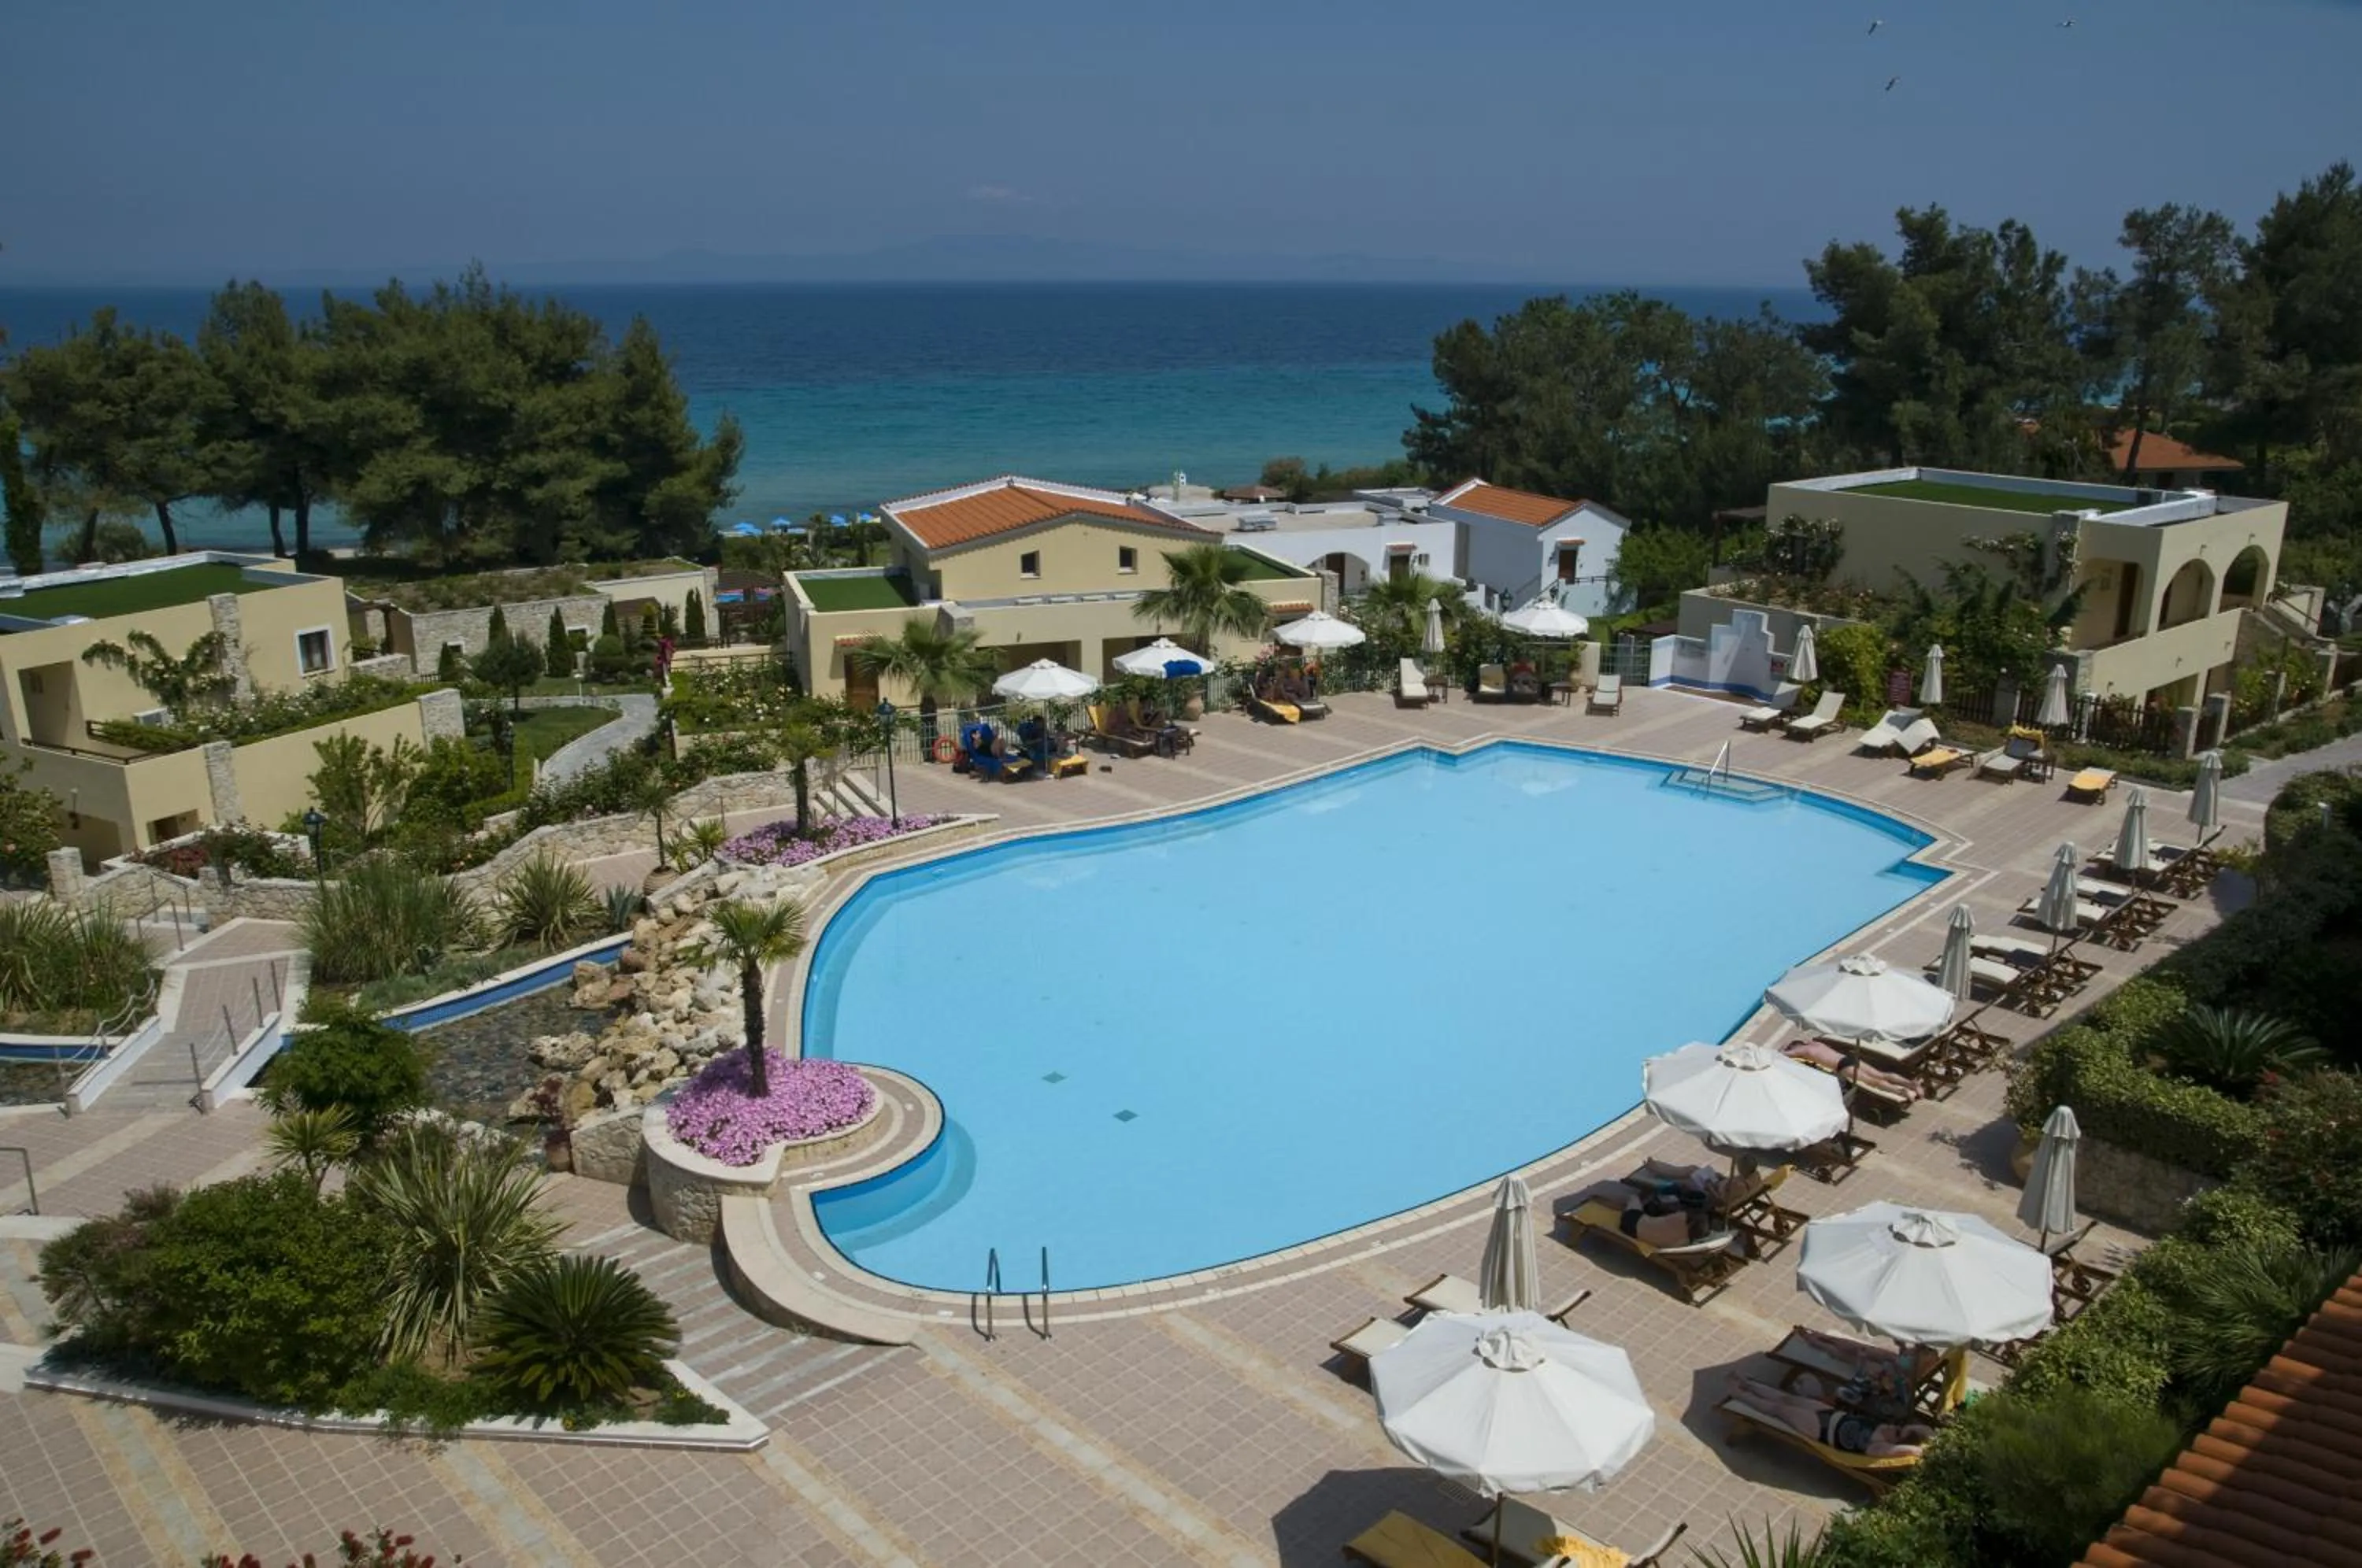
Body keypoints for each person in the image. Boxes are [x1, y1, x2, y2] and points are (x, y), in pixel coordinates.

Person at [1726, 1374, 1934, 1458]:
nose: (1894, 1426)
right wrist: (1925, 1435)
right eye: (1899, 1426)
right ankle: (1749, 1383)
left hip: (1821, 1429)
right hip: (1830, 1414)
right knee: (1788, 1399)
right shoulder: (1887, 1433)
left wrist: (1923, 1450)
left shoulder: (1878, 1447)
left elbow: (1911, 1450)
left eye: (1897, 1432)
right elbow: (1925, 1431)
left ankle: (1740, 1395)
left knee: (1778, 1409)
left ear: (1896, 1442)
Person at [1782, 1039, 1920, 1101]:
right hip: (1848, 1058)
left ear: (1796, 1047)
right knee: (1881, 1075)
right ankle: (1910, 1084)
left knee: (1873, 1082)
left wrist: (1787, 1049)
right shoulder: (1816, 1045)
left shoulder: (1803, 1050)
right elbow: (1808, 1041)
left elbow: (1784, 1054)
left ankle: (1901, 1092)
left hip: (1842, 1066)